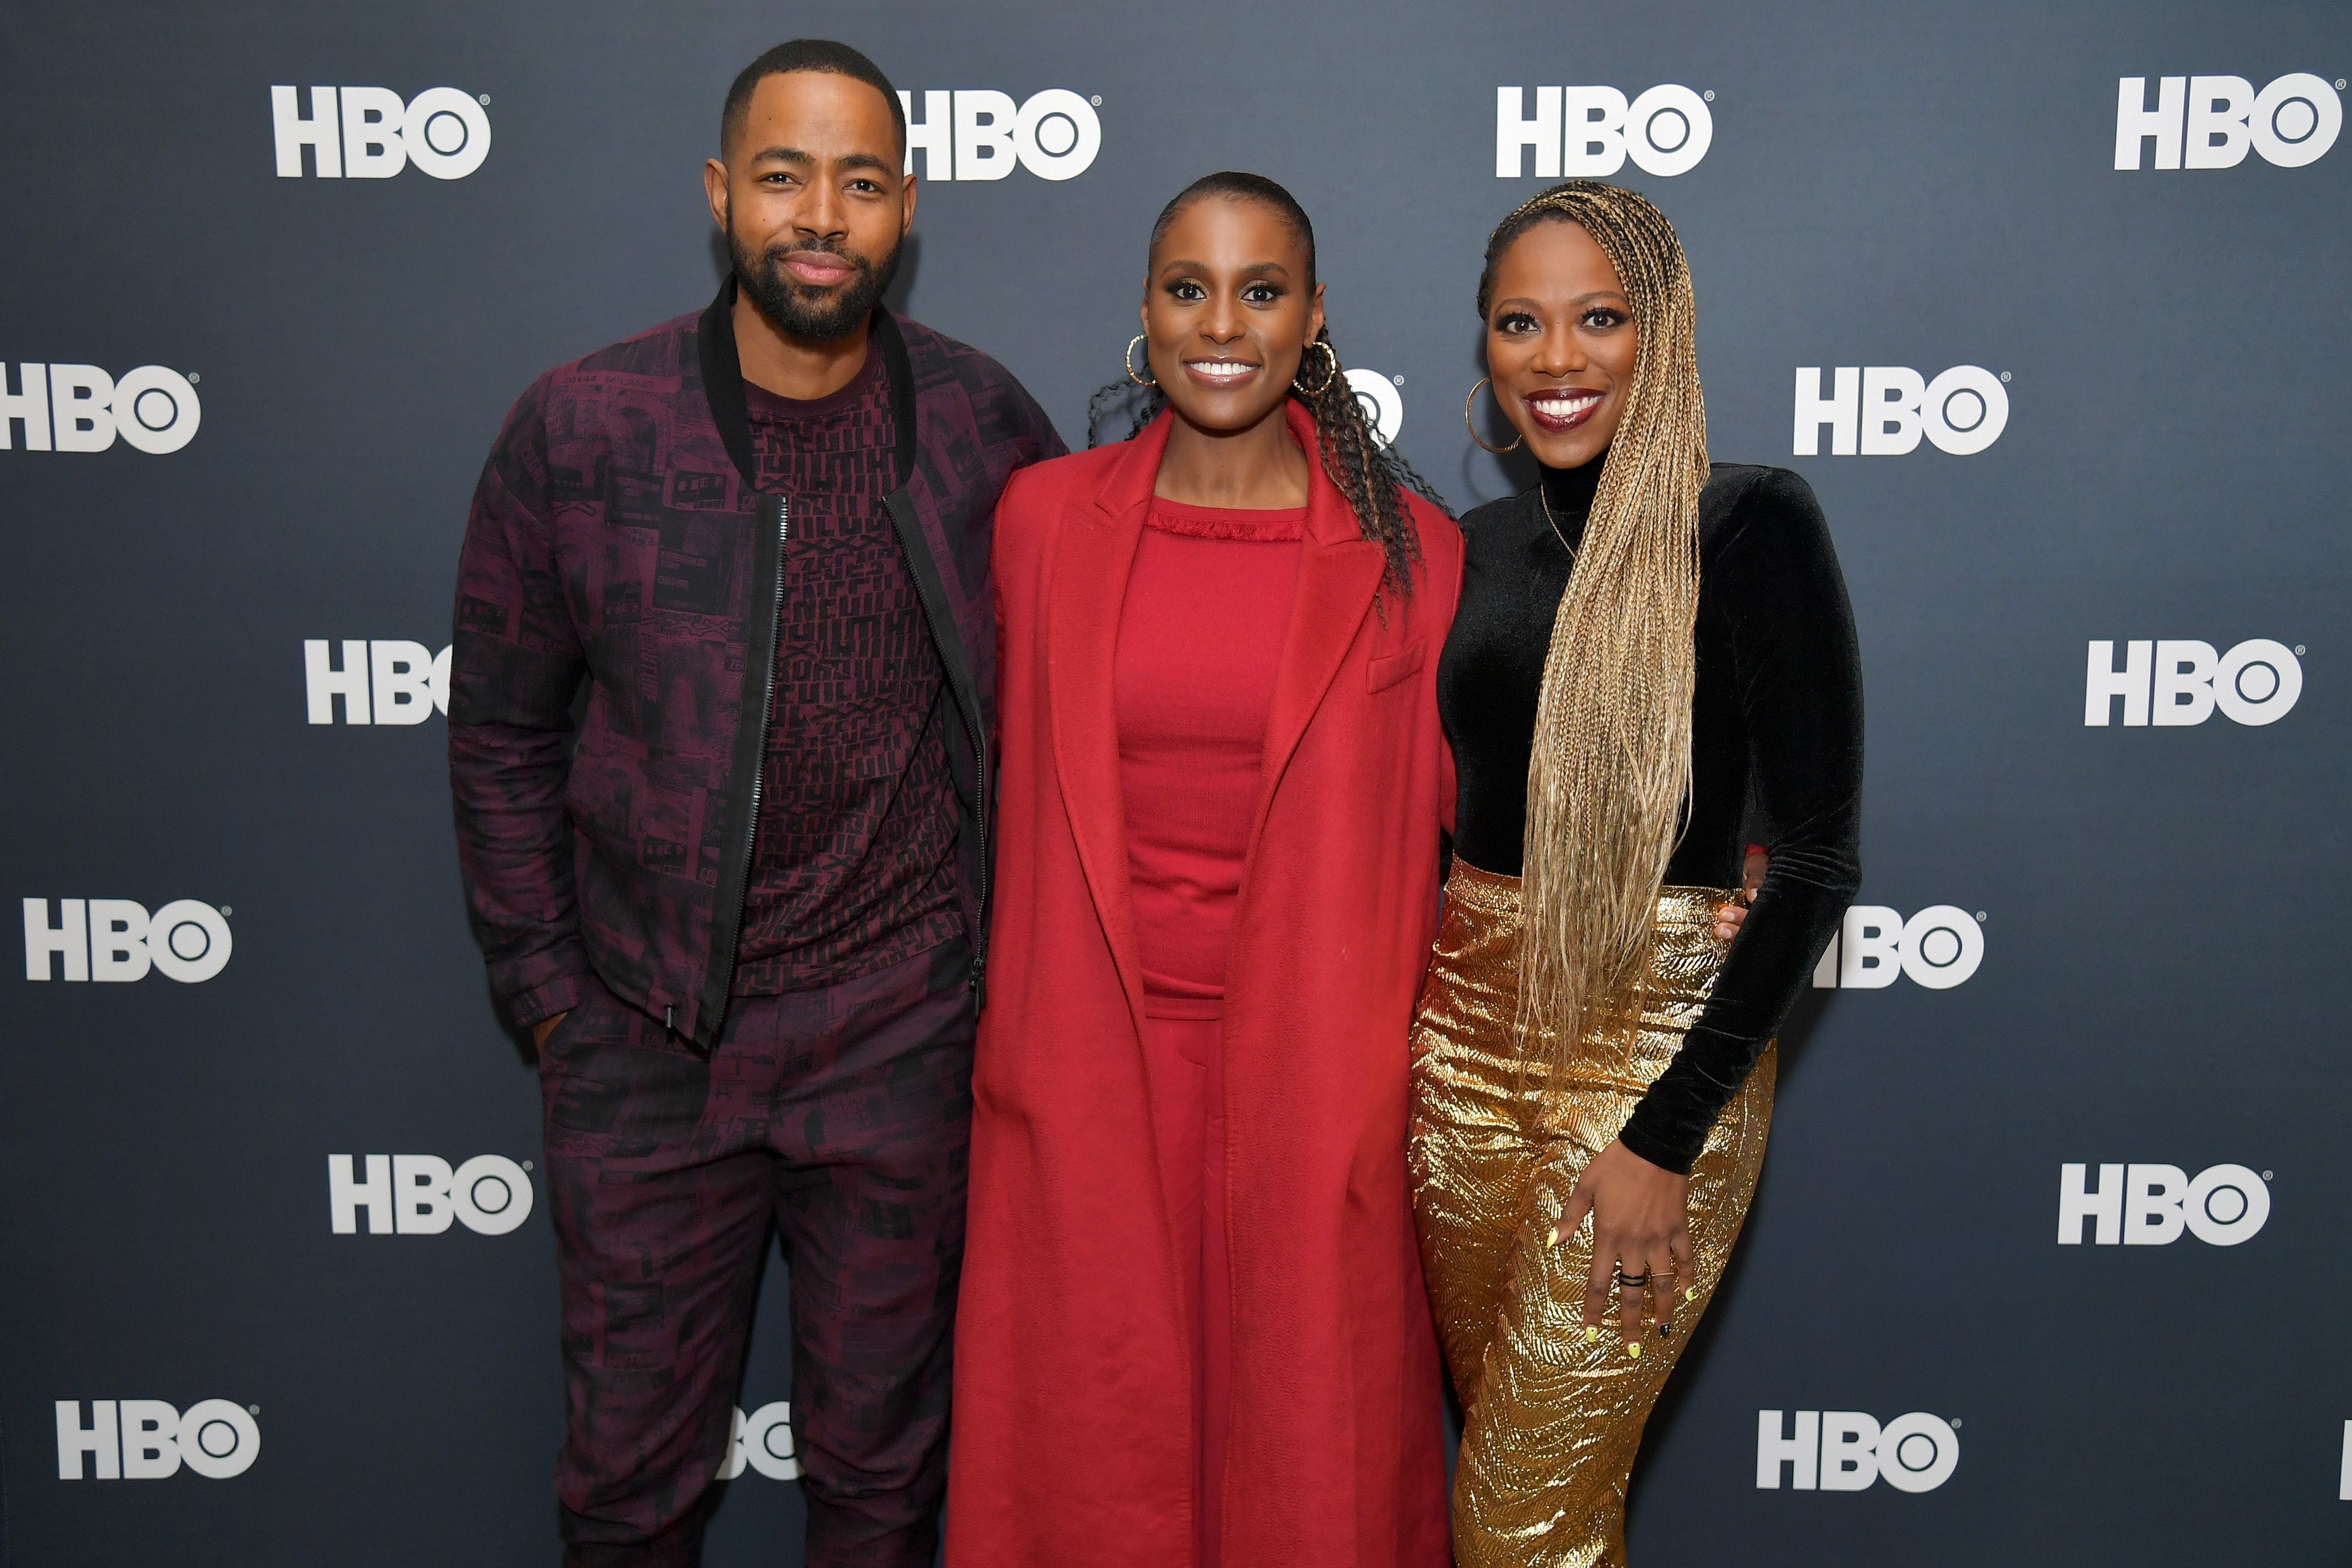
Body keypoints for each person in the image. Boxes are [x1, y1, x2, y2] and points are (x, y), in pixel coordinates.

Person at [446, 38, 1060, 1567]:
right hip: (649, 1051)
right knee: (630, 1493)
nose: (821, 216)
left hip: (901, 1044)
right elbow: (502, 735)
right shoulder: (584, 431)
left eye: (859, 183)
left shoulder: (988, 428)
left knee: (883, 1486)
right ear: (723, 195)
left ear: (905, 210)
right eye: (784, 177)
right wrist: (549, 998)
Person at [945, 173, 1461, 1568]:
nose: (1222, 323)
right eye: (1189, 288)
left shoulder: (1419, 557)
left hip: (1312, 1095)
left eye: (1261, 289)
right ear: (1145, 312)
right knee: (1086, 1468)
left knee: (1307, 1470)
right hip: (1087, 1078)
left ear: (1314, 316)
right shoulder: (1041, 521)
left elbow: (1505, 831)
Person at [1409, 180, 1863, 1566]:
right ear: (1483, 349)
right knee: (1542, 1487)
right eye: (1521, 323)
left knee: (1510, 1524)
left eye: (1600, 318)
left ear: (1659, 331)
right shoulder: (1469, 548)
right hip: (1465, 1038)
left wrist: (1664, 1138)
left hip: (1655, 1052)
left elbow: (1819, 858)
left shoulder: (1747, 523)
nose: (1559, 359)